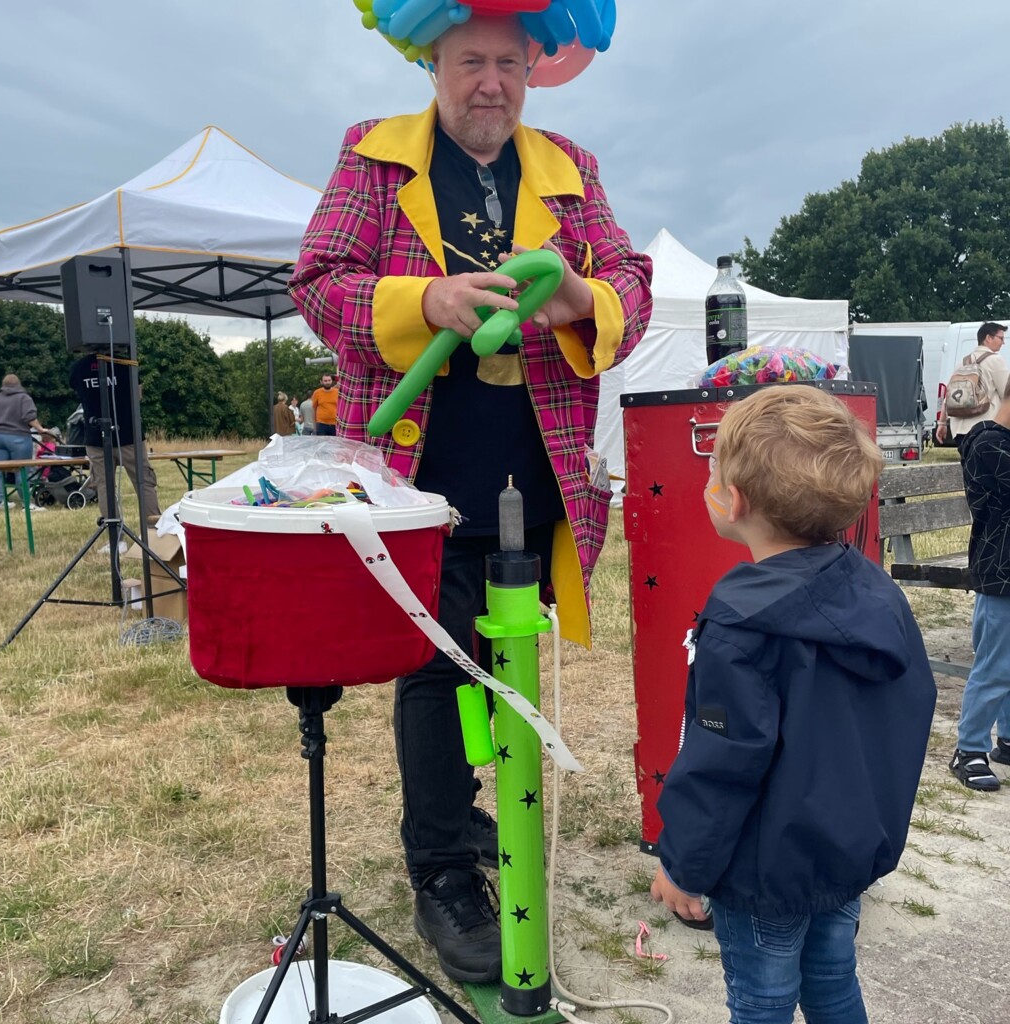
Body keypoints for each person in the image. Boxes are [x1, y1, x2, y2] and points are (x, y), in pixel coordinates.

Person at [290, 14, 652, 984]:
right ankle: (442, 866)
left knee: (504, 656)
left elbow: (631, 280)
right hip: (423, 472)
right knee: (434, 664)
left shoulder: (569, 164)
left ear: (531, 68)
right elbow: (320, 283)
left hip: (538, 470)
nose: (488, 83)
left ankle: (471, 801)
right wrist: (427, 302)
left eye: (506, 63)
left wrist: (583, 296)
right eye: (468, 63)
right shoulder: (373, 157)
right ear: (433, 67)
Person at [650, 386, 936, 1024]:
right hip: (844, 852)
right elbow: (905, 715)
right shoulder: (876, 592)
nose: (709, 481)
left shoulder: (742, 624)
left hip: (764, 873)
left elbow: (722, 763)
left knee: (762, 1001)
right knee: (833, 979)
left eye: (714, 469)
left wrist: (683, 865)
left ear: (736, 500)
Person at [949, 380, 1010, 790]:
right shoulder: (987, 443)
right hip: (1001, 571)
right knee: (996, 664)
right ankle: (969, 748)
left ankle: (1006, 739)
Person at [69, 354, 161, 520]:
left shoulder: (79, 367)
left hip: (96, 437)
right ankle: (153, 531)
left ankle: (115, 537)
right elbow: (138, 395)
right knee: (143, 482)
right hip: (128, 434)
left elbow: (77, 391)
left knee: (104, 486)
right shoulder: (125, 364)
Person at [0, 374, 52, 514]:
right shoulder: (24, 398)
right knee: (22, 472)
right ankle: (27, 505)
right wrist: (41, 429)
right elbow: (30, 417)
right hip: (18, 438)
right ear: (18, 384)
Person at [935, 322, 1008, 446]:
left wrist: (942, 424)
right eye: (1001, 338)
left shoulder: (962, 362)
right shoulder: (995, 360)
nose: (1003, 342)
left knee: (969, 464)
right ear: (988, 338)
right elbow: (1007, 394)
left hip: (959, 430)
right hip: (986, 429)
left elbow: (949, 396)